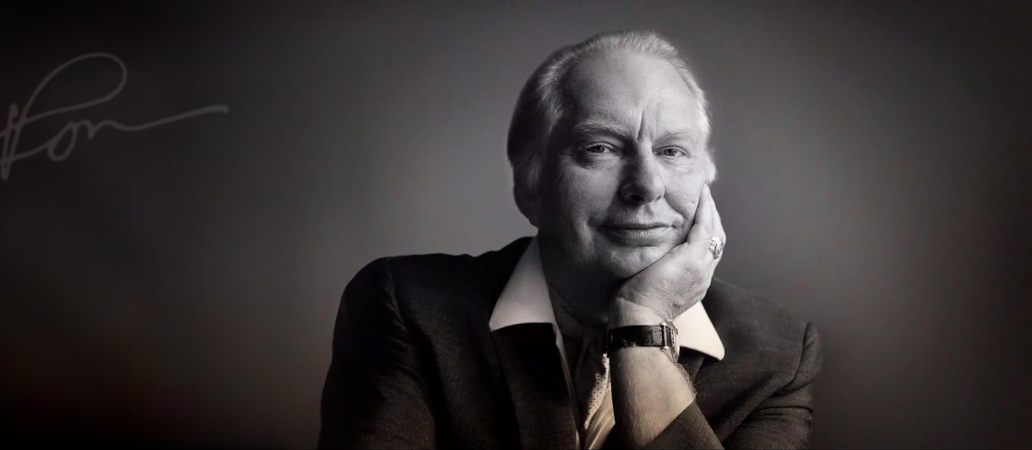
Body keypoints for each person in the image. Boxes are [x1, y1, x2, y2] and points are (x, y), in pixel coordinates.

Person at [319, 30, 822, 449]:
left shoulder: (777, 355)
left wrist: (641, 326)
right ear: (530, 187)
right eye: (600, 147)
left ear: (706, 180)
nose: (647, 185)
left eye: (672, 151)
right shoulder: (409, 309)